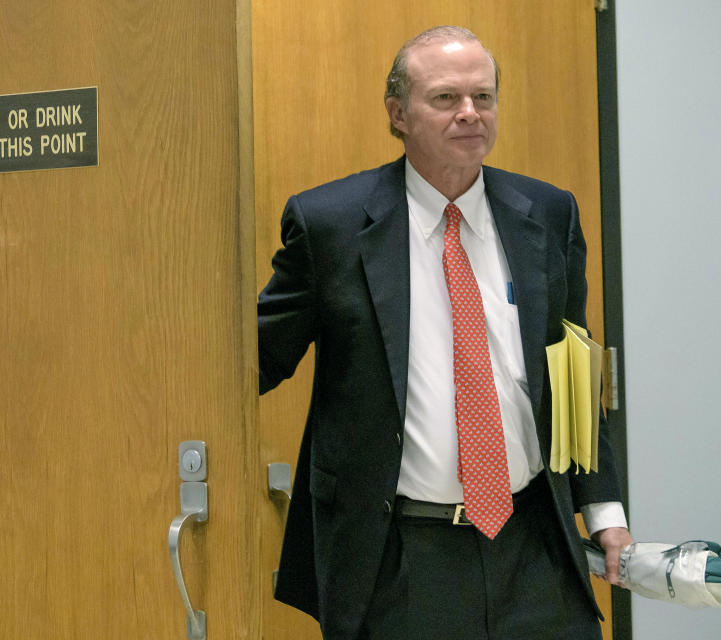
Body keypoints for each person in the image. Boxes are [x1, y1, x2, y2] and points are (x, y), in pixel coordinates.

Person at [258, 26, 634, 640]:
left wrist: (606, 511)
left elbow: (574, 373)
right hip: (399, 559)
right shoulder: (331, 225)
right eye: (445, 98)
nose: (469, 113)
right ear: (397, 113)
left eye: (483, 97)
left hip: (534, 545)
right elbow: (254, 359)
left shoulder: (548, 213)